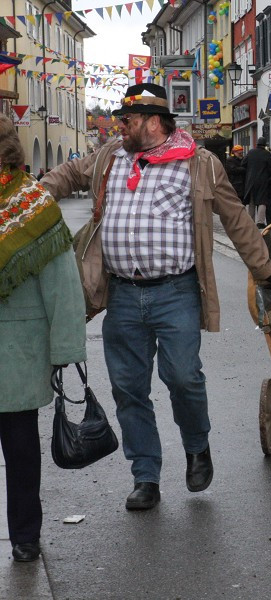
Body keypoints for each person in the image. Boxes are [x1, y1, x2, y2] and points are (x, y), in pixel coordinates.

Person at [40, 83, 271, 511]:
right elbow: (65, 176)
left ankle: (196, 447)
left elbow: (236, 219)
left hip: (176, 292)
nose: (121, 126)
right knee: (128, 388)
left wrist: (266, 270)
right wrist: (25, 203)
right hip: (121, 294)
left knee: (183, 376)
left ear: (154, 122)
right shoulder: (109, 158)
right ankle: (145, 475)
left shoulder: (199, 163)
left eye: (129, 120)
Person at [0, 114, 87, 561]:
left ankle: (25, 535)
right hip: (20, 350)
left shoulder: (32, 204)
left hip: (17, 350)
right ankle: (25, 536)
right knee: (19, 447)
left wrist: (66, 350)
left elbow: (62, 286)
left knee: (19, 449)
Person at [242, 137, 271, 227]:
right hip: (262, 181)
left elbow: (243, 163)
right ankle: (260, 222)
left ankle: (250, 221)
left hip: (250, 180)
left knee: (252, 202)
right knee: (262, 201)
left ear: (257, 144)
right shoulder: (266, 154)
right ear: (264, 144)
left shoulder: (250, 152)